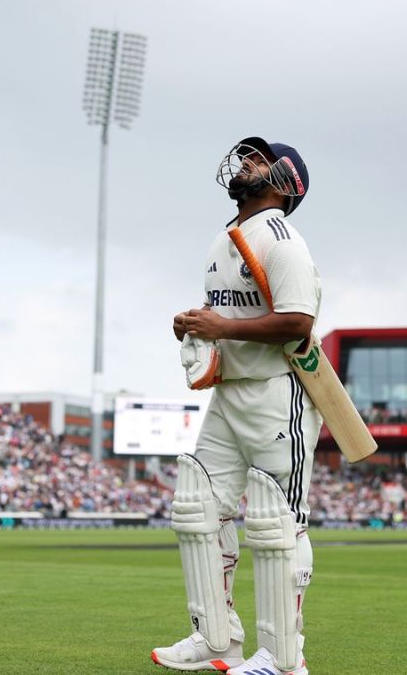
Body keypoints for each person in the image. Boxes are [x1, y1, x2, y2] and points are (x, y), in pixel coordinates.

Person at [152, 136, 321, 675]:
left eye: (258, 160)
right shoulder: (224, 242)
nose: (245, 163)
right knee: (197, 507)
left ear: (282, 180)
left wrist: (223, 326)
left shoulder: (283, 240)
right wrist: (196, 326)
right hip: (229, 396)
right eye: (247, 156)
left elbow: (298, 323)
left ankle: (282, 660)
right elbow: (223, 318)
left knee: (275, 525)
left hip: (277, 395)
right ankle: (216, 639)